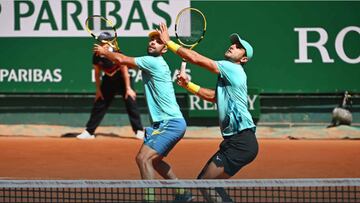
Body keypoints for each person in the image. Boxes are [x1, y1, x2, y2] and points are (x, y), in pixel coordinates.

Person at [158, 23, 258, 181]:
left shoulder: (233, 68)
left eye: (238, 47)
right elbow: (213, 97)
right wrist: (187, 85)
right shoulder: (230, 75)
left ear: (243, 58)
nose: (233, 46)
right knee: (207, 183)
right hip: (236, 142)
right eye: (233, 43)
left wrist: (168, 42)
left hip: (241, 142)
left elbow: (196, 58)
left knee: (204, 184)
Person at [93, 31, 187, 186]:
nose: (152, 42)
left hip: (169, 123)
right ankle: (183, 192)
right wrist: (113, 54)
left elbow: (122, 60)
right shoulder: (152, 63)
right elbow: (122, 61)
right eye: (151, 40)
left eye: (157, 41)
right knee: (154, 162)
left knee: (143, 159)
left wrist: (105, 52)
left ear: (164, 49)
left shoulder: (153, 62)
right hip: (168, 123)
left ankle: (149, 199)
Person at [77, 32, 144, 140]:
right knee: (100, 103)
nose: (102, 44)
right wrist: (98, 90)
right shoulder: (96, 55)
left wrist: (128, 88)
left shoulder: (116, 53)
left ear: (109, 42)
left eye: (105, 41)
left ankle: (139, 131)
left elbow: (124, 70)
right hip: (108, 80)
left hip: (122, 79)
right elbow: (97, 73)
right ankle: (89, 132)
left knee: (131, 101)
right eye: (101, 41)